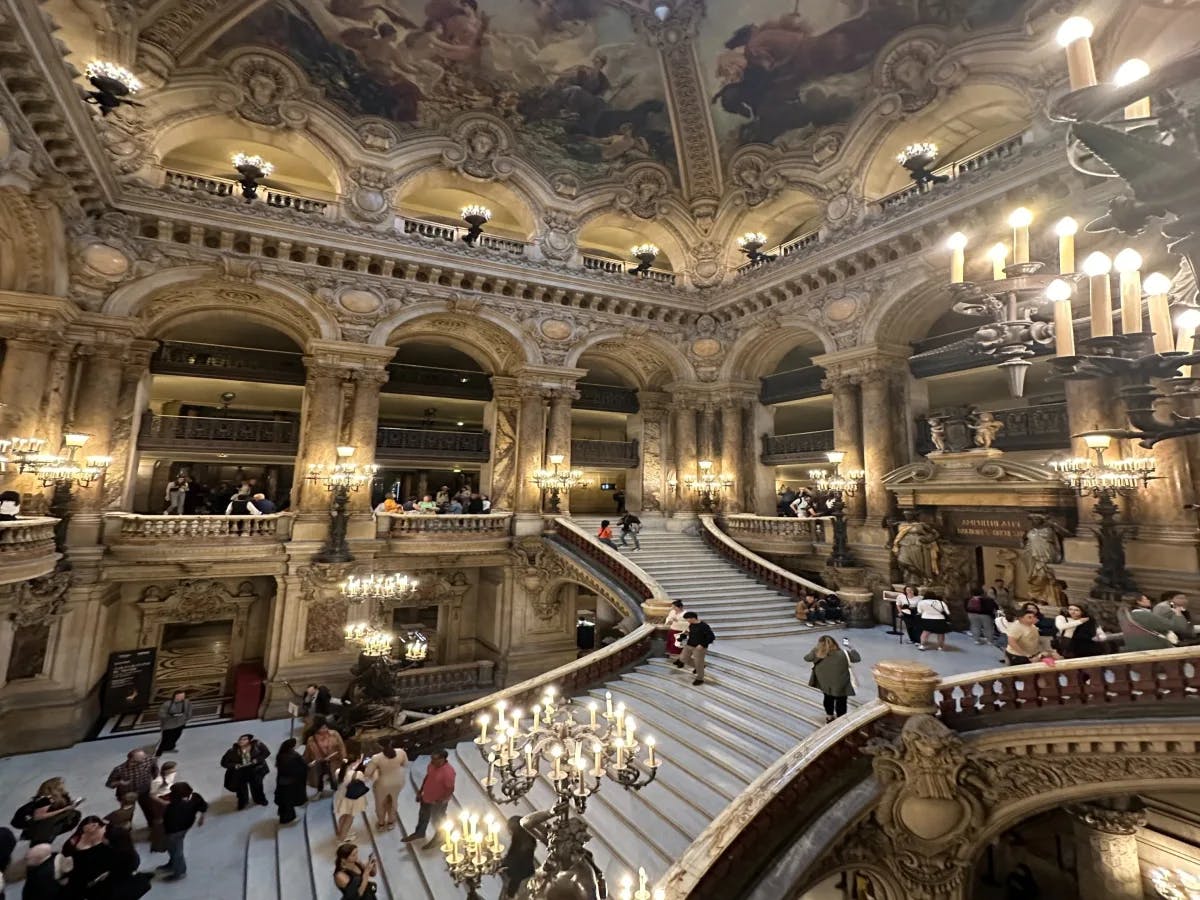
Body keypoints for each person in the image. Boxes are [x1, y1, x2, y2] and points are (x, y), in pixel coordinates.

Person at [402, 750, 456, 849]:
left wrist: (442, 799)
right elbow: (428, 777)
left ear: (442, 759)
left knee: (438, 819)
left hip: (438, 801)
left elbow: (450, 788)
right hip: (426, 797)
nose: (432, 761)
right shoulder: (431, 765)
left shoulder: (448, 772)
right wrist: (420, 790)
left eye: (435, 759)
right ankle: (420, 833)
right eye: (431, 758)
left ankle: (440, 837)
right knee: (423, 815)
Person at [804, 635, 862, 722]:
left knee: (828, 698)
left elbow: (807, 658)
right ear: (835, 643)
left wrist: (815, 649)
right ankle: (840, 719)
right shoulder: (844, 653)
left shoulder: (817, 653)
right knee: (841, 701)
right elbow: (857, 658)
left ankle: (829, 716)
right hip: (841, 683)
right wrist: (851, 648)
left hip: (824, 682)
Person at [157, 782, 206, 882]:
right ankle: (172, 864)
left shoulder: (175, 804)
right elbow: (204, 806)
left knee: (176, 851)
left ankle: (180, 872)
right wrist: (202, 817)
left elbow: (168, 817)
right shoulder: (195, 797)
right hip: (184, 826)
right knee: (172, 849)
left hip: (175, 830)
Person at [14, 778, 82, 845]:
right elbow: (38, 816)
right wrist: (64, 809)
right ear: (54, 788)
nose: (63, 787)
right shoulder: (45, 800)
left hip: (50, 825)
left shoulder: (60, 797)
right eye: (60, 785)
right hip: (42, 828)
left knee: (74, 815)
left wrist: (71, 804)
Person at [104, 749, 158, 828]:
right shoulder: (119, 770)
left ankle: (152, 825)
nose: (145, 758)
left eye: (144, 756)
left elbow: (155, 768)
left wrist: (154, 778)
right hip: (127, 794)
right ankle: (127, 828)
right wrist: (120, 782)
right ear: (132, 759)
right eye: (142, 758)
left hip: (144, 790)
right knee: (127, 813)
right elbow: (109, 784)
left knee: (148, 809)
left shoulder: (149, 760)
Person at [365, 738, 409, 831]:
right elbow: (405, 764)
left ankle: (381, 823)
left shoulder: (376, 758)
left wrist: (377, 770)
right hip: (398, 780)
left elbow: (368, 773)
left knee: (380, 803)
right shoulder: (400, 752)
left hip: (383, 783)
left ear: (379, 746)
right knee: (393, 800)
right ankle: (391, 822)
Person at [220, 733, 270, 810]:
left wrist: (257, 760)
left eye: (244, 739)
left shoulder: (257, 745)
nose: (241, 741)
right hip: (240, 772)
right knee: (241, 789)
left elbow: (266, 753)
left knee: (257, 786)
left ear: (249, 741)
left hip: (256, 770)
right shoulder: (232, 751)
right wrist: (235, 765)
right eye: (240, 739)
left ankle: (259, 799)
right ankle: (243, 801)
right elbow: (224, 763)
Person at [1122, 594, 1188, 651]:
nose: (1148, 600)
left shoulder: (1129, 615)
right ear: (1139, 602)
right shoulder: (1143, 615)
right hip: (1156, 649)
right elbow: (1178, 626)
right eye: (1146, 599)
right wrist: (1177, 611)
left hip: (1141, 648)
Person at [305, 719, 347, 797]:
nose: (324, 730)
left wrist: (343, 757)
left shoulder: (334, 734)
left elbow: (341, 746)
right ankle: (319, 791)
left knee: (333, 777)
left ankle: (335, 790)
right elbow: (308, 752)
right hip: (320, 762)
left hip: (333, 760)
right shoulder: (311, 739)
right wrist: (307, 762)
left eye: (325, 727)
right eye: (322, 728)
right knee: (319, 778)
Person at [499, 815, 538, 898]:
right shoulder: (526, 839)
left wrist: (510, 893)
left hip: (521, 875)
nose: (508, 832)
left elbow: (517, 874)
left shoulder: (521, 848)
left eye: (510, 830)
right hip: (526, 869)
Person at [673, 611, 715, 686]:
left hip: (699, 648)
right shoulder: (691, 624)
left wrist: (702, 645)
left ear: (693, 618)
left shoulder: (704, 626)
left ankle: (699, 679)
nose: (687, 620)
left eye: (688, 619)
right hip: (689, 644)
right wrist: (684, 635)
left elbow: (711, 637)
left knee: (698, 663)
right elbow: (691, 633)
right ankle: (701, 666)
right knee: (682, 658)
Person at [274, 738, 308, 825]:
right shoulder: (293, 756)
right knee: (289, 801)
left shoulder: (281, 755)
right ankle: (288, 818)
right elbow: (298, 769)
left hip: (282, 782)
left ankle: (286, 817)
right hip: (291, 783)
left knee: (285, 801)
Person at [334, 759, 369, 842]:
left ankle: (340, 832)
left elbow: (347, 776)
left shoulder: (338, 771)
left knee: (343, 815)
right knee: (349, 818)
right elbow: (363, 781)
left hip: (342, 797)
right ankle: (343, 838)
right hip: (352, 798)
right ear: (352, 763)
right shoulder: (358, 774)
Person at [147, 761, 177, 853]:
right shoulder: (157, 781)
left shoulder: (171, 776)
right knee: (161, 823)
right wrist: (163, 802)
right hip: (160, 801)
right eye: (172, 770)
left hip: (168, 798)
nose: (174, 772)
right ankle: (159, 845)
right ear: (166, 771)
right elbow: (151, 795)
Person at [156, 690, 192, 754]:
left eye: (183, 696)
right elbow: (161, 714)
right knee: (165, 740)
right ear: (175, 696)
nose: (182, 697)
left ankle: (170, 748)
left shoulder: (186, 702)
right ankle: (159, 753)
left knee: (175, 737)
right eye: (181, 696)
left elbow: (189, 711)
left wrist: (186, 718)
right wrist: (171, 716)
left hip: (180, 723)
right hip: (169, 725)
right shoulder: (167, 704)